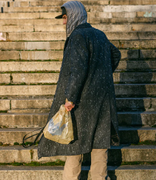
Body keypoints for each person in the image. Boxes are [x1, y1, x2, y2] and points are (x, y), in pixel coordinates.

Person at [37, 1, 121, 180]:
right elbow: (116, 54)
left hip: (82, 102)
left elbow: (78, 69)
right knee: (100, 147)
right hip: (102, 100)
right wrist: (101, 77)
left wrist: (70, 98)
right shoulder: (100, 34)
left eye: (65, 18)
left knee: (75, 147)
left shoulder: (77, 36)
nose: (63, 23)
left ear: (74, 16)